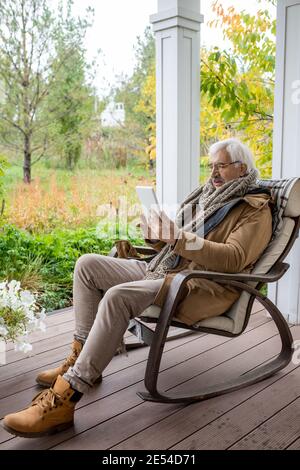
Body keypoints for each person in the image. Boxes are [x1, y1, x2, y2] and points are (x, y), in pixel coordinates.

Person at [2, 138, 273, 438]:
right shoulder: (209, 196)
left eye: (220, 166)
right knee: (87, 265)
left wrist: (178, 239)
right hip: (168, 268)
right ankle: (80, 358)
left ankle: (67, 395)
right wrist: (159, 237)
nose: (213, 173)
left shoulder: (255, 210)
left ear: (242, 167)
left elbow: (233, 259)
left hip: (199, 286)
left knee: (117, 297)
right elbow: (179, 242)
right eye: (211, 166)